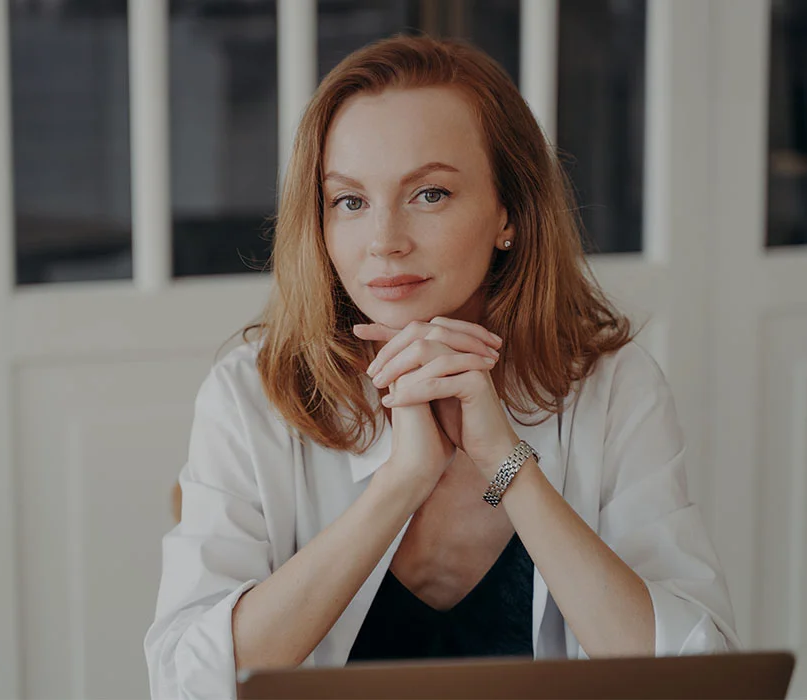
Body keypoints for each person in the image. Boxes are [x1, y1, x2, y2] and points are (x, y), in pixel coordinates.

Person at [144, 35, 739, 699]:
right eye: (350, 201)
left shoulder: (612, 387)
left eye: (429, 194)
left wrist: (507, 464)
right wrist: (402, 480)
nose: (385, 242)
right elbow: (186, 683)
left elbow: (698, 678)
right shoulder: (252, 393)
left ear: (508, 212)